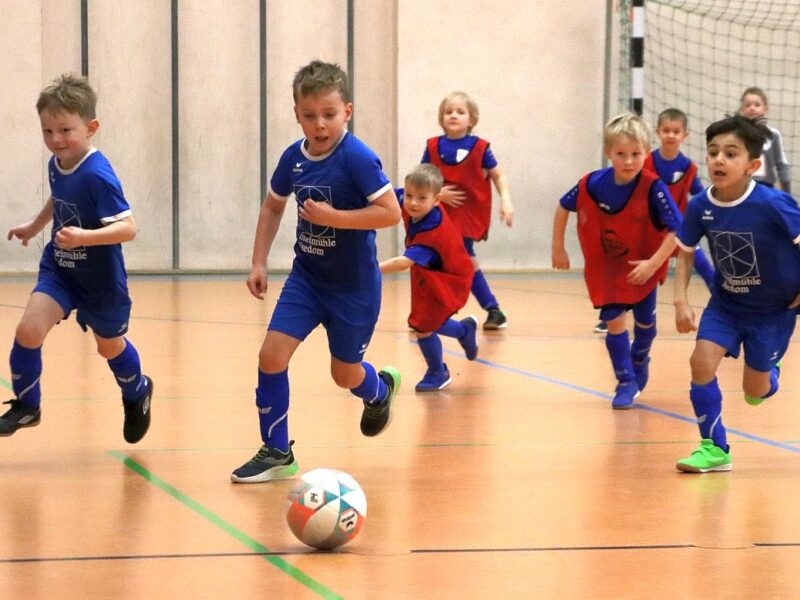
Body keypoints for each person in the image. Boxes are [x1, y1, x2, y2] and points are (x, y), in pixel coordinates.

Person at [231, 60, 402, 483]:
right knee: (271, 356)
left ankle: (377, 390)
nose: (320, 125)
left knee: (343, 374)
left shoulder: (357, 157)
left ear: (347, 110)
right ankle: (277, 452)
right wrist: (258, 260)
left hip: (354, 288)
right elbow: (273, 206)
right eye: (310, 116)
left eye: (329, 114)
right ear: (296, 114)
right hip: (307, 278)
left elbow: (390, 213)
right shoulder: (294, 158)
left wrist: (334, 216)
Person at [2, 74, 153, 441]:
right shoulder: (59, 163)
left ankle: (137, 392)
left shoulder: (98, 175)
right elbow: (58, 198)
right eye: (48, 131)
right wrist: (36, 227)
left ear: (91, 127)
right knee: (28, 330)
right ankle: (27, 406)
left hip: (100, 279)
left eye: (65, 130)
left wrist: (86, 236)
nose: (56, 140)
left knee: (108, 347)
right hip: (61, 269)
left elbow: (128, 228)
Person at [674, 115, 800, 473]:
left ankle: (768, 373)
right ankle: (714, 448)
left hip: (774, 311)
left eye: (731, 154)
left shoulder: (775, 204)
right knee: (700, 363)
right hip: (727, 304)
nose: (719, 160)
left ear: (753, 166)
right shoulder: (700, 205)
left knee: (755, 390)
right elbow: (684, 251)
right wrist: (681, 300)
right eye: (713, 152)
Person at [551, 113, 682, 409]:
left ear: (647, 153)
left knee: (645, 324)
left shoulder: (654, 188)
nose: (628, 161)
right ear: (608, 152)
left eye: (636, 154)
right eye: (621, 154)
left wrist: (652, 263)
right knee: (614, 321)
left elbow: (678, 229)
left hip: (643, 266)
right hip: (609, 268)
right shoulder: (592, 184)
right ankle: (625, 380)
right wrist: (558, 246)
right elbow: (562, 206)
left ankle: (641, 355)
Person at [379, 164, 478, 392]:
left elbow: (403, 263)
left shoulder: (431, 234)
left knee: (424, 326)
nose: (412, 202)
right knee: (428, 321)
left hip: (450, 277)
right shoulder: (410, 201)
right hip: (430, 273)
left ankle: (438, 372)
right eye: (410, 195)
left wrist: (371, 269)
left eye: (421, 198)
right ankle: (464, 331)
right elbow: (387, 193)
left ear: (437, 200)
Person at [422, 91, 513, 331]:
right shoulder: (433, 146)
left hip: (466, 216)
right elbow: (422, 178)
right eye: (449, 111)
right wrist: (440, 194)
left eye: (460, 112)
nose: (454, 115)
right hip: (439, 214)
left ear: (472, 119)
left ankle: (492, 308)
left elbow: (498, 174)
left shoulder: (480, 147)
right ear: (441, 118)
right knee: (436, 261)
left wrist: (506, 200)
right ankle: (443, 311)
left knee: (463, 259)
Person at [644, 107, 715, 289]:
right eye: (666, 131)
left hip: (678, 229)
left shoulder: (688, 167)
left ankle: (725, 303)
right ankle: (613, 317)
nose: (671, 135)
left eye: (676, 131)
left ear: (685, 135)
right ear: (658, 132)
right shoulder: (645, 163)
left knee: (705, 267)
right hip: (650, 231)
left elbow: (700, 194)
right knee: (644, 279)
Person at [739, 87, 791, 192]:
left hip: (766, 187)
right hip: (741, 186)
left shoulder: (774, 135)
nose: (752, 108)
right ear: (742, 109)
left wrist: (786, 191)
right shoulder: (736, 135)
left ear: (765, 109)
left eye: (757, 105)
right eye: (748, 105)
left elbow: (782, 164)